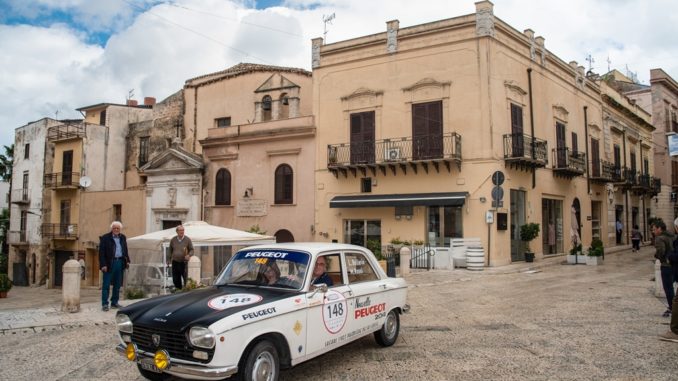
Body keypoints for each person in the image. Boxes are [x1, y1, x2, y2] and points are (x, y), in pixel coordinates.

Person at [99, 221, 130, 311]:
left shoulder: (123, 237)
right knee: (106, 284)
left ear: (120, 229)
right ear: (111, 229)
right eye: (114, 228)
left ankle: (114, 302)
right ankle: (105, 304)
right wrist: (103, 264)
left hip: (120, 262)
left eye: (118, 228)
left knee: (117, 284)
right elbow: (101, 253)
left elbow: (125, 250)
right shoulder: (105, 238)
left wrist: (127, 260)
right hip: (109, 263)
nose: (116, 230)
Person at [653, 220, 674, 317]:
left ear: (659, 229)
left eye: (654, 229)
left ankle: (672, 307)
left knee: (668, 288)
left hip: (666, 265)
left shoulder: (660, 238)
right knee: (672, 287)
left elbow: (661, 251)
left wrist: (658, 257)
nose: (653, 231)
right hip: (674, 264)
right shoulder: (673, 236)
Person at [169, 225, 194, 290]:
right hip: (175, 262)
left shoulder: (187, 239)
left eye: (183, 230)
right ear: (177, 231)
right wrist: (168, 259)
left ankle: (186, 291)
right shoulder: (173, 240)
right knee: (175, 279)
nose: (182, 232)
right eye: (180, 230)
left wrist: (189, 255)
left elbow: (192, 249)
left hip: (184, 262)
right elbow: (170, 250)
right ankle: (178, 290)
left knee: (185, 278)